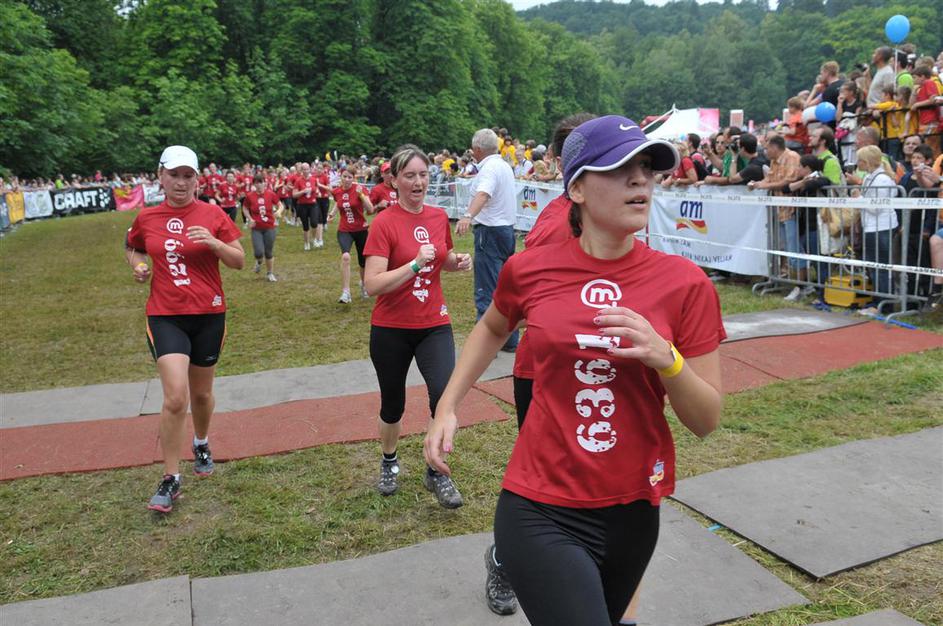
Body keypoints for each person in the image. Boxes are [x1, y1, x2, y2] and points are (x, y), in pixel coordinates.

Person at [425, 116, 724, 626]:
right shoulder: (530, 269)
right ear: (578, 189)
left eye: (647, 167)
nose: (640, 178)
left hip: (633, 508)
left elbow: (705, 420)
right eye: (620, 168)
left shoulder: (685, 284)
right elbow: (493, 326)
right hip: (540, 503)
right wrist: (447, 406)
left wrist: (667, 359)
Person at [125, 145, 245, 513]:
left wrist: (215, 243)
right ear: (160, 176)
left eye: (187, 176)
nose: (181, 182)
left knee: (202, 395)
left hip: (208, 314)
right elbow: (133, 246)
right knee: (176, 397)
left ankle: (202, 441)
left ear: (197, 179)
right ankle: (171, 476)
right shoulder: (147, 217)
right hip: (166, 315)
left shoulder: (212, 214)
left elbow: (239, 260)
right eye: (174, 175)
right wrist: (138, 266)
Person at [362, 145, 472, 507]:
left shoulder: (438, 217)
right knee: (393, 404)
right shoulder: (384, 223)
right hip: (391, 327)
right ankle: (389, 461)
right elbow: (372, 284)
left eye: (423, 174)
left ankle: (436, 471)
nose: (418, 182)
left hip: (433, 324)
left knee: (443, 396)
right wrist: (412, 265)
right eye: (409, 175)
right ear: (394, 180)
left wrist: (457, 262)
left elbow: (442, 258)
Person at [455, 128, 519, 352]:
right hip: (506, 230)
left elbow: (483, 193)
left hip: (490, 231)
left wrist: (467, 216)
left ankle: (484, 344)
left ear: (477, 149)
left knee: (487, 288)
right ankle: (509, 340)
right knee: (505, 286)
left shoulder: (489, 169)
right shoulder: (504, 166)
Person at [855, 145, 900, 316]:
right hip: (871, 226)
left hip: (881, 226)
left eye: (860, 160)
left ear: (867, 161)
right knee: (873, 266)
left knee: (880, 267)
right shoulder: (869, 177)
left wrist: (859, 198)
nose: (858, 163)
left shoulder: (882, 180)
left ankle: (883, 304)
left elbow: (876, 208)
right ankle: (877, 301)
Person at [329, 168, 375, 302]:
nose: (347, 179)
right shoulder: (337, 191)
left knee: (363, 261)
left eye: (350, 177)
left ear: (353, 178)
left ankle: (364, 285)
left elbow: (371, 209)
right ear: (341, 176)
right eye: (345, 176)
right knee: (345, 257)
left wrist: (361, 196)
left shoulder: (360, 189)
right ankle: (346, 292)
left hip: (361, 229)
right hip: (345, 230)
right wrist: (332, 214)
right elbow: (338, 203)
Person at [243, 174, 282, 282]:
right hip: (256, 228)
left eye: (261, 182)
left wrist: (278, 211)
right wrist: (250, 219)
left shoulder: (271, 194)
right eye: (257, 183)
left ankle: (270, 273)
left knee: (268, 252)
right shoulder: (250, 196)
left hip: (270, 227)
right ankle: (259, 262)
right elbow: (245, 208)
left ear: (265, 183)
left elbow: (280, 205)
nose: (259, 185)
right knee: (258, 252)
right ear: (254, 184)